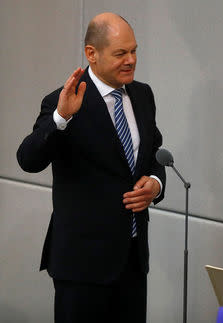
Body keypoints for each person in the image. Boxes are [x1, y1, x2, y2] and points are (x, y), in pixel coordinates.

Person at [17, 12, 166, 323]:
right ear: (91, 54)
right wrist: (60, 119)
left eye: (134, 51)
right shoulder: (65, 100)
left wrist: (154, 182)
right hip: (82, 267)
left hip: (132, 261)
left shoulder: (143, 95)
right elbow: (28, 160)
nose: (131, 60)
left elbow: (152, 153)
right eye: (121, 53)